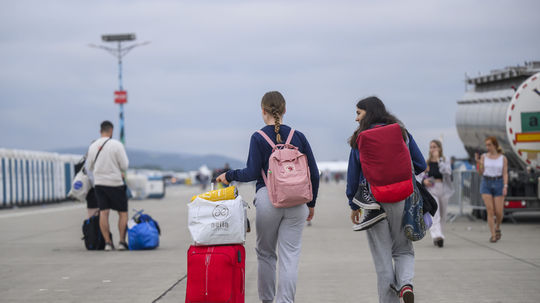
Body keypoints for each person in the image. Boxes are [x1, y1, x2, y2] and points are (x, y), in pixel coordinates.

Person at [216, 91, 319, 303]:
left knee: (266, 254)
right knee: (290, 257)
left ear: (263, 111)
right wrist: (311, 203)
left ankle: (267, 300)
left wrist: (229, 175)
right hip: (298, 201)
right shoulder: (298, 136)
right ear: (285, 109)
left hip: (268, 200)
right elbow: (314, 173)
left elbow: (252, 173)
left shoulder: (258, 137)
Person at [346, 96, 426, 303]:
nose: (356, 119)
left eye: (358, 113)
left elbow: (353, 177)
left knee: (383, 260)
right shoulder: (401, 133)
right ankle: (406, 284)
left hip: (373, 203)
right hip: (402, 197)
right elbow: (421, 164)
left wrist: (353, 205)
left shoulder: (360, 137)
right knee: (403, 249)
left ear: (369, 113)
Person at [86, 121, 129, 251]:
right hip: (115, 183)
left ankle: (107, 243)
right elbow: (124, 166)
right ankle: (121, 242)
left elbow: (89, 167)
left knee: (104, 213)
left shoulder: (93, 146)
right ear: (111, 130)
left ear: (100, 131)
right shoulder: (117, 145)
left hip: (99, 184)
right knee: (123, 213)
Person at [474, 136, 508, 243]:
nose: (487, 147)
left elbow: (505, 173)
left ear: (495, 145)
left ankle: (498, 226)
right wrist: (479, 163)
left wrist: (505, 186)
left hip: (498, 182)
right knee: (490, 210)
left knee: (498, 212)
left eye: (489, 144)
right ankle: (493, 235)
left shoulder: (502, 158)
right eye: (486, 145)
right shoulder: (484, 156)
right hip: (486, 182)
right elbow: (480, 172)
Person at [423, 140, 454, 248]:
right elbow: (421, 176)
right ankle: (437, 236)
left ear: (439, 148)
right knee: (435, 214)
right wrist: (424, 181)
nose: (433, 149)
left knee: (442, 214)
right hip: (431, 189)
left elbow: (447, 172)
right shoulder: (427, 163)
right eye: (431, 147)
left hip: (443, 188)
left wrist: (439, 160)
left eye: (435, 147)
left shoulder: (444, 161)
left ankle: (440, 234)